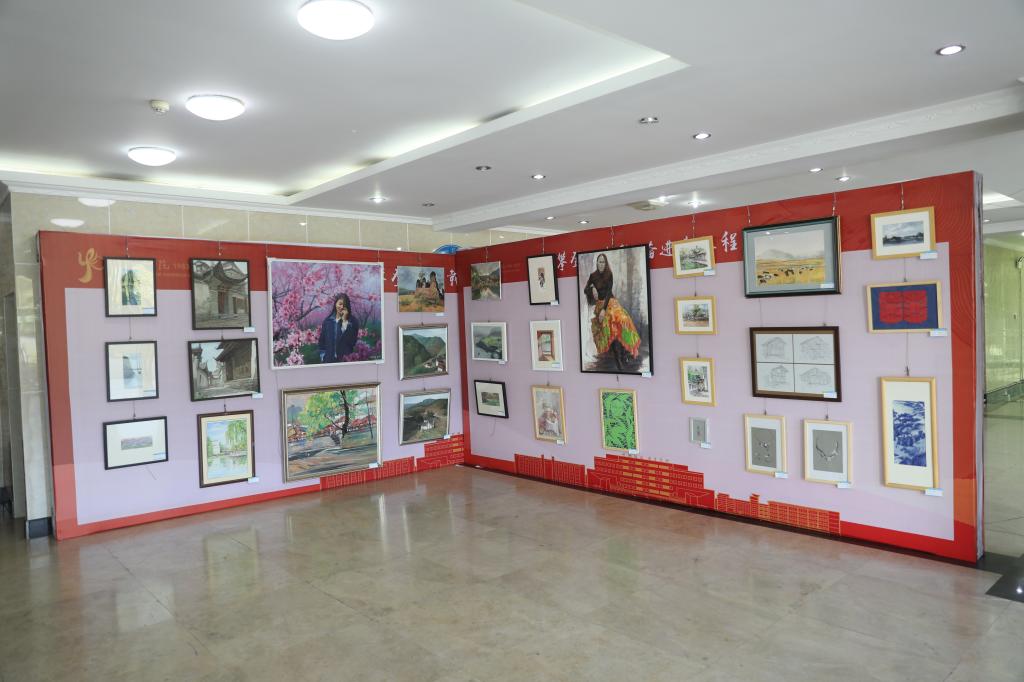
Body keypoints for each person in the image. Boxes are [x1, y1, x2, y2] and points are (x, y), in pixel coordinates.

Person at [583, 253, 641, 370]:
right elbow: (585, 289)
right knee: (612, 328)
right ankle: (619, 359)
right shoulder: (593, 276)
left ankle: (624, 354)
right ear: (597, 263)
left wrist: (604, 310)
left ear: (606, 263)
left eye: (603, 262)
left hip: (610, 302)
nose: (601, 264)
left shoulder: (609, 274)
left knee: (623, 320)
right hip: (600, 304)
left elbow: (609, 292)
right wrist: (592, 288)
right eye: (599, 262)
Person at [318, 293, 360, 363]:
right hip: (328, 360)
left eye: (344, 305)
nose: (342, 307)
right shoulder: (328, 321)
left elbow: (352, 342)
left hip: (346, 360)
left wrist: (344, 321)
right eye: (340, 304)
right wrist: (323, 356)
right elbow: (322, 341)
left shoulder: (353, 321)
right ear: (335, 304)